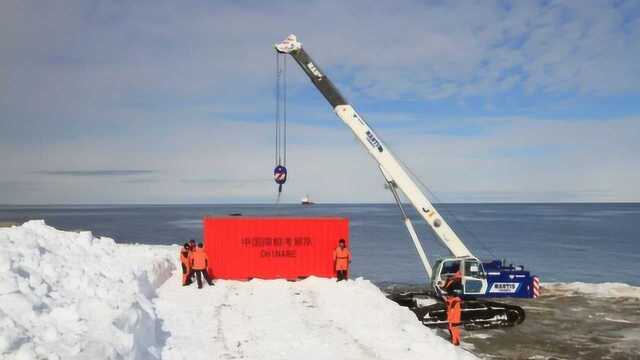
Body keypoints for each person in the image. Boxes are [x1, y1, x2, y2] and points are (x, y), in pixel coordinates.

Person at [443, 270, 463, 346]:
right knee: (452, 325)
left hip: (453, 308)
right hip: (453, 306)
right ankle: (454, 339)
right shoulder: (458, 285)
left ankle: (455, 342)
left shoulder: (454, 285)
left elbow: (448, 290)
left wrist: (449, 300)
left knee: (453, 326)